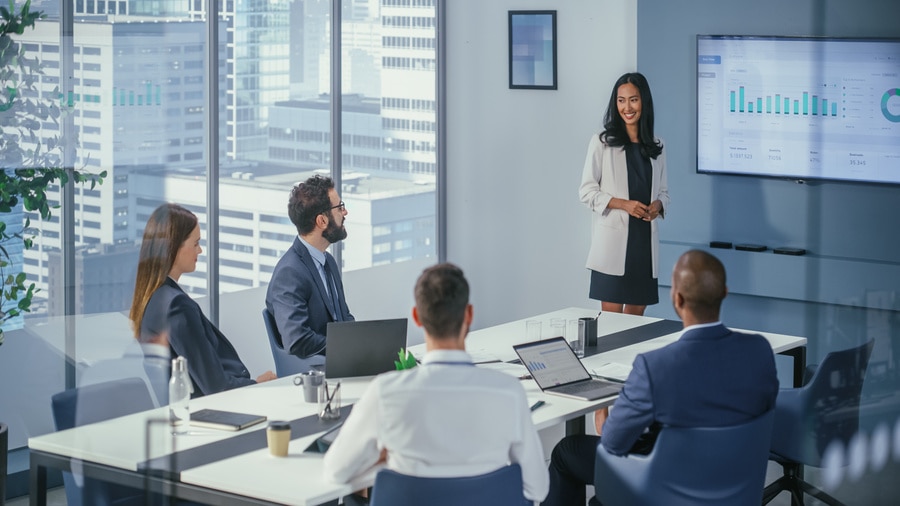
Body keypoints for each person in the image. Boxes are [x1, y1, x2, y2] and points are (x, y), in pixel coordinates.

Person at [541, 250, 778, 506]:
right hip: (734, 480)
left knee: (567, 452)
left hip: (664, 487)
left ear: (677, 299)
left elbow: (613, 443)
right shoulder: (759, 350)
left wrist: (604, 412)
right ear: (725, 293)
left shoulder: (655, 366)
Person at [323, 263, 549, 503]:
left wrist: (381, 455)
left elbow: (335, 471)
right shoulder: (509, 392)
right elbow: (537, 489)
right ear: (469, 315)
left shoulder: (386, 392)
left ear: (417, 317)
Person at [129, 203, 276, 397]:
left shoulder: (153, 297)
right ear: (173, 247)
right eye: (195, 243)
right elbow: (215, 387)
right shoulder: (176, 306)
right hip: (214, 410)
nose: (200, 251)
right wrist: (257, 384)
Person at [579, 72, 669, 317]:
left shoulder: (657, 146)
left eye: (633, 100)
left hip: (643, 245)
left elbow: (663, 191)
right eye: (621, 100)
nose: (626, 107)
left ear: (644, 102)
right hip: (612, 245)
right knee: (611, 323)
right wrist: (623, 205)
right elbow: (587, 191)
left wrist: (658, 205)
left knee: (635, 324)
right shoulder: (601, 143)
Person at [265, 174, 354, 363]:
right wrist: (347, 347)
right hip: (316, 370)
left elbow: (343, 318)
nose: (345, 213)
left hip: (342, 361)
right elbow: (297, 340)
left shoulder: (327, 261)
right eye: (340, 207)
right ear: (322, 221)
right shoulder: (289, 273)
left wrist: (366, 343)